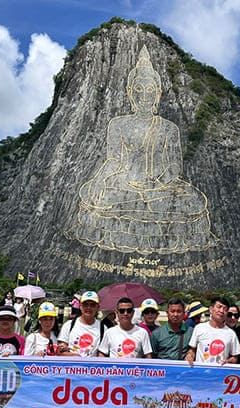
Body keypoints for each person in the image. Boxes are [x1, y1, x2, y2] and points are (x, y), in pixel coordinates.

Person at [69, 46, 214, 254]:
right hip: (125, 185)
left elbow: (174, 165)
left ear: (157, 93)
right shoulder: (118, 124)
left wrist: (157, 182)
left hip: (159, 188)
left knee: (189, 201)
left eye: (149, 90)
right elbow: (115, 160)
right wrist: (100, 180)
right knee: (106, 198)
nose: (144, 96)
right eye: (138, 90)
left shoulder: (168, 127)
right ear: (130, 92)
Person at [96, 297, 153, 408]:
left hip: (134, 386)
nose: (126, 314)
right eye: (122, 311)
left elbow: (149, 357)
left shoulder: (141, 333)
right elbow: (101, 354)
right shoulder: (110, 332)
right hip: (113, 387)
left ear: (133, 313)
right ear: (116, 313)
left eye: (129, 310)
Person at [54, 290, 104, 408]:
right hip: (69, 378)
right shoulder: (70, 325)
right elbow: (59, 351)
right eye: (86, 304)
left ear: (97, 307)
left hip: (90, 380)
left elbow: (103, 354)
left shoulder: (102, 327)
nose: (88, 308)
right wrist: (74, 355)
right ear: (80, 306)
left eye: (92, 305)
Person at [147, 297, 190, 408]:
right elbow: (152, 357)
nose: (175, 314)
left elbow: (195, 350)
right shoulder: (157, 334)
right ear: (167, 313)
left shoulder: (191, 332)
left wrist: (191, 352)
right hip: (162, 383)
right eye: (172, 311)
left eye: (179, 311)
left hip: (184, 382)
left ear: (184, 313)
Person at [20, 301, 61, 408]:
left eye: (50, 319)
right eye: (44, 319)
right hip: (33, 384)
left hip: (49, 385)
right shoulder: (33, 337)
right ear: (39, 320)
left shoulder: (54, 338)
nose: (47, 322)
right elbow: (25, 362)